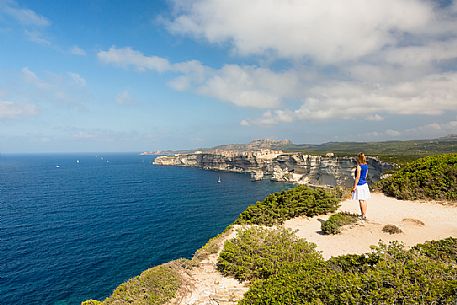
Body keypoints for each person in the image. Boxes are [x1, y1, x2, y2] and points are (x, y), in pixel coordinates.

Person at [352, 152, 371, 220]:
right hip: (365, 184)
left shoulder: (359, 166)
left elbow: (357, 177)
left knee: (360, 200)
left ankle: (363, 215)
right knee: (364, 200)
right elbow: (365, 175)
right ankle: (364, 214)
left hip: (359, 185)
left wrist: (354, 186)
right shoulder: (366, 165)